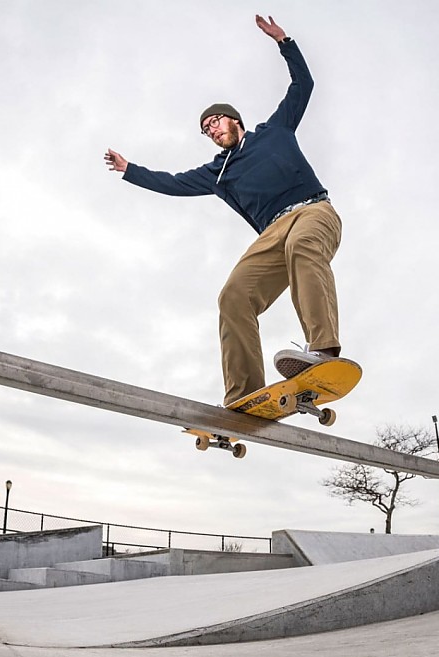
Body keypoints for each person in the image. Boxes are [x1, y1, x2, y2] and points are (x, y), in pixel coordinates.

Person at [104, 15, 349, 407]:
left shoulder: (276, 130)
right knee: (233, 295)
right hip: (271, 234)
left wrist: (284, 41)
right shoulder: (217, 174)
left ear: (234, 119)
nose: (213, 130)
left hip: (313, 211)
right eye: (206, 129)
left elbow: (303, 85)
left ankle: (323, 351)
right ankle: (245, 393)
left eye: (216, 121)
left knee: (302, 246)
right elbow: (172, 182)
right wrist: (129, 170)